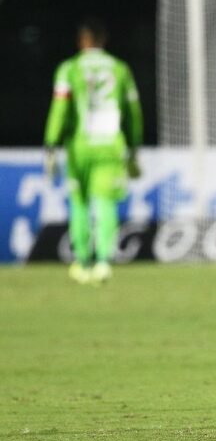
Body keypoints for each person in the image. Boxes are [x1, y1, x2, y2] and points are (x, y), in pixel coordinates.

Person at [43, 18, 143, 284]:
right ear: (103, 41)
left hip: (80, 146)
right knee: (105, 202)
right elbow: (133, 112)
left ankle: (82, 262)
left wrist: (51, 143)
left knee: (79, 203)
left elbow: (60, 108)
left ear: (81, 42)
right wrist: (134, 147)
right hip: (110, 145)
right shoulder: (120, 69)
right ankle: (103, 263)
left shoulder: (69, 68)